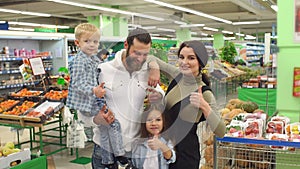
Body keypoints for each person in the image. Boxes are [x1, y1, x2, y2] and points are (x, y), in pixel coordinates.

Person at [78, 27, 163, 169]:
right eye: (136, 53)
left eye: (145, 55)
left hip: (134, 151)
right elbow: (82, 110)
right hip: (104, 151)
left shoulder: (146, 71)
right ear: (126, 45)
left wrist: (158, 96)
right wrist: (95, 119)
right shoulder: (102, 70)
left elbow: (161, 96)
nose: (140, 59)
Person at [148, 40, 226, 169]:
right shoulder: (176, 76)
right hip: (164, 151)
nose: (184, 62)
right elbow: (150, 57)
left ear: (200, 62)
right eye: (181, 57)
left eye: (191, 58)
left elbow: (221, 131)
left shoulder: (204, 93)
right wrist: (154, 68)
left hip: (185, 158)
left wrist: (204, 106)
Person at [66, 23, 128, 168]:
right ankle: (119, 154)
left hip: (94, 99)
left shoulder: (93, 59)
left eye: (95, 41)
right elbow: (77, 84)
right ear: (77, 43)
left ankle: (107, 159)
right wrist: (94, 90)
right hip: (87, 101)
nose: (92, 45)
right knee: (113, 124)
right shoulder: (79, 61)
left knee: (104, 129)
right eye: (87, 41)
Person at [131, 103, 176, 169]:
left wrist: (161, 145)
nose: (153, 123)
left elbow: (171, 157)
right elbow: (134, 163)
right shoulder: (138, 143)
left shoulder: (167, 141)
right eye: (149, 120)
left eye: (158, 120)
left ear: (163, 122)